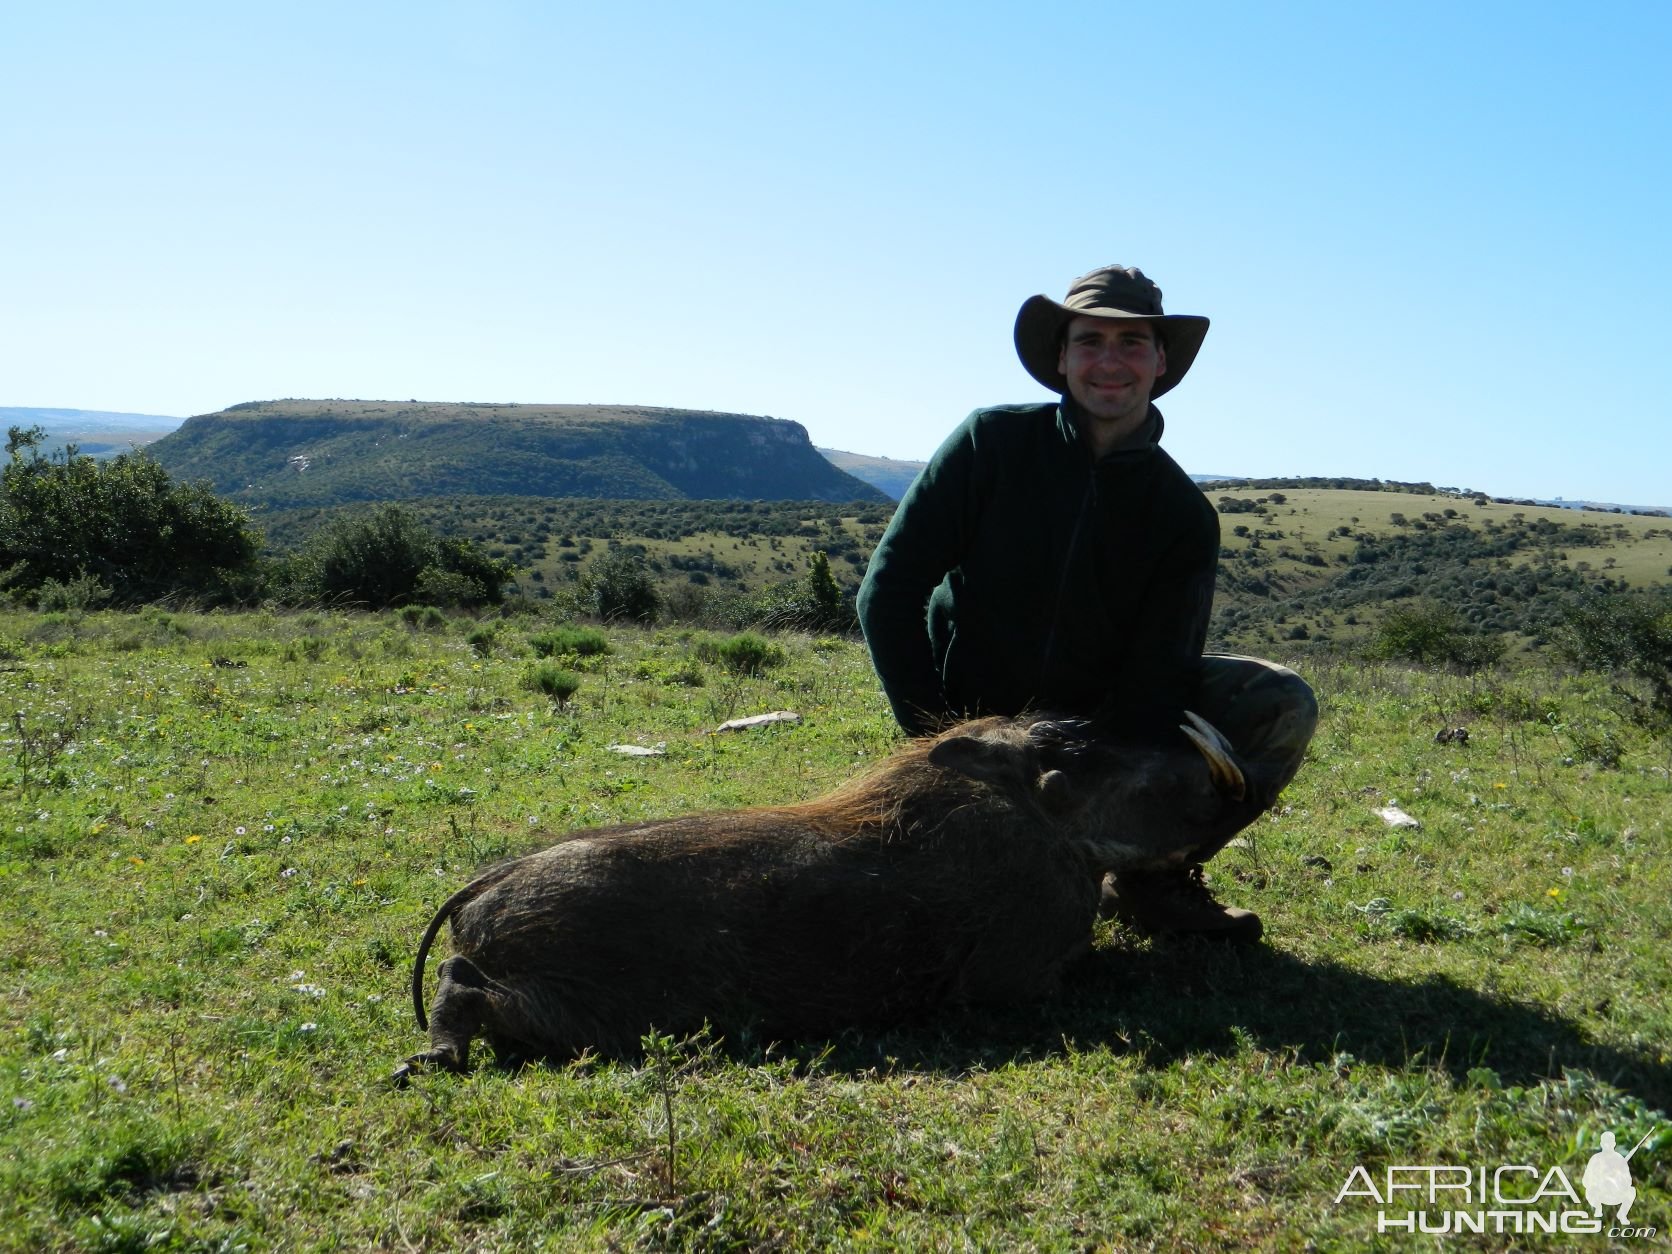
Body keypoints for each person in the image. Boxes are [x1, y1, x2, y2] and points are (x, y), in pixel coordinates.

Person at [857, 264, 1317, 942]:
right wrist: (938, 738)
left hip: (1096, 732)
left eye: (1132, 343)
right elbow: (887, 592)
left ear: (1161, 361)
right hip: (970, 723)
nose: (1110, 361)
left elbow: (1160, 673)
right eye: (1090, 340)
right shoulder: (990, 443)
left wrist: (1108, 775)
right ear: (1062, 357)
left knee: (1279, 701)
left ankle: (1151, 876)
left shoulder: (1182, 513)